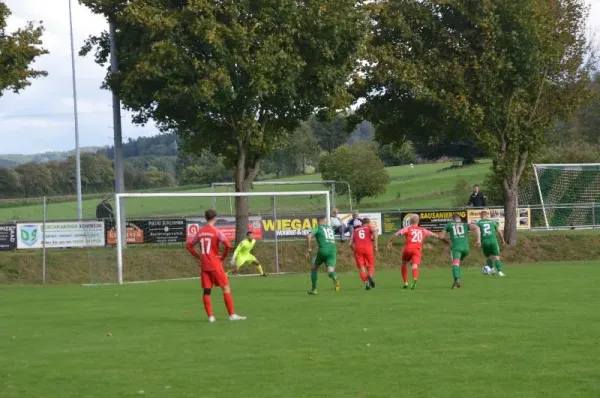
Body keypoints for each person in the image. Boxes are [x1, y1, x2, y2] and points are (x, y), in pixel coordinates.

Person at [186, 209, 246, 322]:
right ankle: (232, 315)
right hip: (215, 264)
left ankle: (210, 317)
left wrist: (199, 257)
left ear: (205, 218)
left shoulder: (200, 232)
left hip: (204, 265)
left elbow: (189, 246)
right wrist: (222, 258)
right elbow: (228, 245)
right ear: (214, 219)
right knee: (226, 287)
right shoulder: (216, 232)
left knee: (207, 290)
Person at [386, 214, 445, 290]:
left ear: (410, 221)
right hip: (417, 250)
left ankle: (406, 282)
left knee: (404, 264)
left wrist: (390, 242)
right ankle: (415, 278)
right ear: (418, 221)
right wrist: (442, 238)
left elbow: (396, 234)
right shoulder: (423, 230)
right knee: (414, 265)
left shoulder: (407, 228)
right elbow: (435, 235)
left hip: (408, 249)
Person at [439, 214, 481, 289]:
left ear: (452, 219)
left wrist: (445, 241)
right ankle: (455, 282)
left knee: (455, 265)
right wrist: (478, 240)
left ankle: (457, 279)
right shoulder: (465, 224)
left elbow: (441, 236)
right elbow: (477, 227)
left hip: (456, 248)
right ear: (460, 219)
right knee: (458, 264)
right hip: (466, 248)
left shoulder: (449, 225)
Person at [306, 215, 340, 295]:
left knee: (314, 268)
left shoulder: (318, 228)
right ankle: (334, 277)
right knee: (330, 270)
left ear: (317, 221)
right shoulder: (331, 229)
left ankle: (314, 289)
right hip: (333, 251)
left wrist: (309, 248)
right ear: (325, 221)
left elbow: (309, 236)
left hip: (323, 250)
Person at [476, 209, 506, 277]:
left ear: (481, 216)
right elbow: (499, 232)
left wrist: (478, 241)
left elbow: (478, 232)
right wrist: (502, 240)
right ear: (487, 215)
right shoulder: (492, 222)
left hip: (484, 241)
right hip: (493, 241)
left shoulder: (478, 223)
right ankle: (500, 272)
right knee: (496, 257)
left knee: (488, 257)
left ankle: (492, 269)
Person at [350, 217, 378, 290]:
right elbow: (375, 231)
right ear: (368, 223)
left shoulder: (355, 230)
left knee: (361, 268)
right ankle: (370, 276)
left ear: (362, 223)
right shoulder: (369, 227)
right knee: (370, 266)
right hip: (368, 248)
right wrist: (375, 244)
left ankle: (366, 283)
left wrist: (354, 250)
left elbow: (350, 244)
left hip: (358, 249)